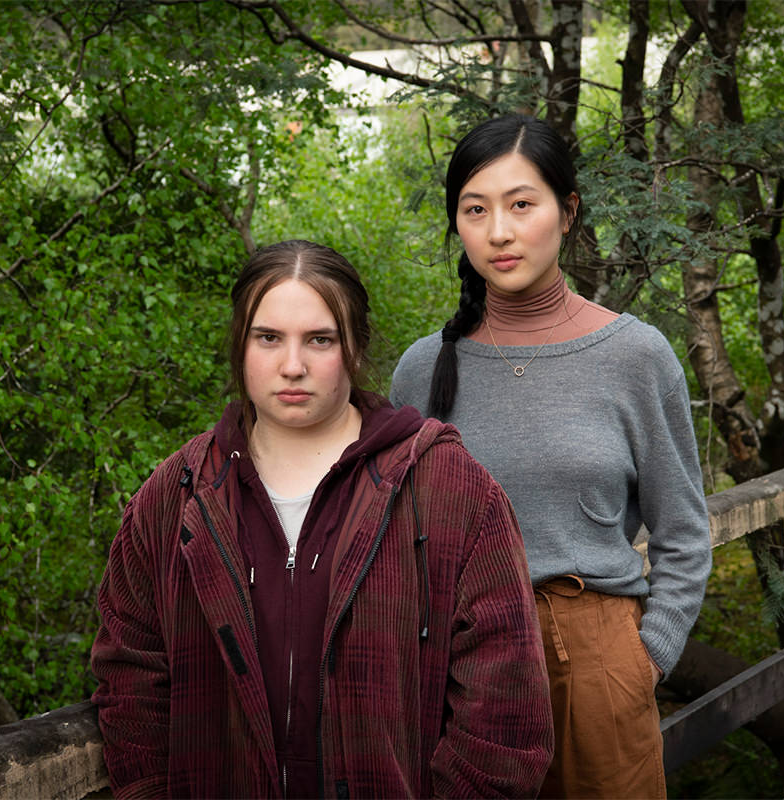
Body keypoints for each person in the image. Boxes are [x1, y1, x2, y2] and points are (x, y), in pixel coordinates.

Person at [91, 239, 553, 799]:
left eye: (319, 339)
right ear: (239, 345)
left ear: (354, 348)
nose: (293, 366)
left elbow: (506, 710)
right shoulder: (175, 497)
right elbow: (130, 680)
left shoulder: (448, 489)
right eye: (268, 338)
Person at [390, 115, 712, 799]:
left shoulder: (634, 356)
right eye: (475, 210)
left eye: (521, 204)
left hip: (596, 658)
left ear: (567, 212)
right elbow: (400, 541)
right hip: (460, 669)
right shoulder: (422, 371)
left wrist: (641, 662)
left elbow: (683, 534)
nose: (499, 232)